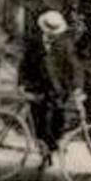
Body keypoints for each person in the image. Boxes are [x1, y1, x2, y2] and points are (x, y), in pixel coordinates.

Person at [21, 10, 75, 160]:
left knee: (58, 118)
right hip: (38, 86)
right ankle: (42, 147)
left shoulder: (65, 44)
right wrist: (22, 84)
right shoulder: (35, 42)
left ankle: (52, 145)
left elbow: (73, 66)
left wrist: (76, 87)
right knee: (38, 117)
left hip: (57, 89)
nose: (52, 34)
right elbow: (25, 64)